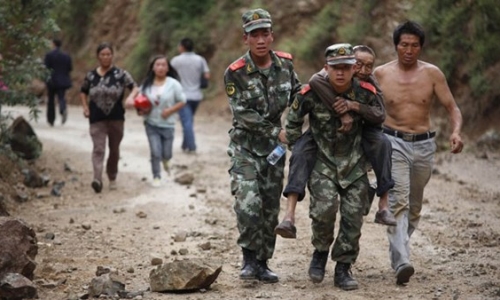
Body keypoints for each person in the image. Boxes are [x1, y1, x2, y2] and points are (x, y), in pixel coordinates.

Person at [286, 43, 383, 290]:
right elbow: (293, 123)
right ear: (326, 68)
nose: (340, 73)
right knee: (324, 210)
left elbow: (379, 116)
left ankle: (343, 267)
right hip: (323, 162)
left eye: (345, 68)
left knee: (353, 218)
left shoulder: (366, 92)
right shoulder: (309, 93)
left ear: (353, 69)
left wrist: (356, 109)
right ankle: (319, 251)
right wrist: (301, 150)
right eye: (335, 68)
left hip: (354, 164)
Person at [373, 21, 464, 285]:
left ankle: (397, 250)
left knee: (413, 208)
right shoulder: (381, 74)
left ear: (421, 47)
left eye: (414, 45)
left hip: (424, 144)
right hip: (392, 141)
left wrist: (456, 132)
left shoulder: (433, 74)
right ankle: (402, 260)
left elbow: (452, 108)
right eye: (404, 45)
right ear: (396, 46)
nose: (409, 50)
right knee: (398, 201)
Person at [274, 45, 396, 240]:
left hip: (357, 141)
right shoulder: (320, 82)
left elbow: (380, 113)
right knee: (300, 152)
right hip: (321, 140)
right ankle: (289, 216)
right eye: (358, 65)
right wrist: (342, 111)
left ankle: (384, 204)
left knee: (383, 143)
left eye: (368, 66)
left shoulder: (367, 87)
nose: (363, 70)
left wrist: (353, 106)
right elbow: (312, 85)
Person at [224, 8, 302, 283]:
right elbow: (242, 113)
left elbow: (298, 97)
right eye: (254, 35)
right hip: (245, 148)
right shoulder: (235, 73)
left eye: (264, 34)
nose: (260, 40)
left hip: (273, 153)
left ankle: (262, 262)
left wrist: (293, 127)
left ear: (272, 36)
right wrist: (275, 131)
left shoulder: (286, 65)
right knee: (249, 203)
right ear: (245, 38)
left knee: (269, 206)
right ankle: (247, 259)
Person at [80, 42, 139, 193]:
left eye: (108, 54)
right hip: (96, 118)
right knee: (98, 148)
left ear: (112, 56)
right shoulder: (91, 75)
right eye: (102, 54)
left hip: (117, 117)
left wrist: (130, 98)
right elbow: (83, 91)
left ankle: (112, 176)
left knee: (114, 149)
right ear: (98, 56)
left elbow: (135, 87)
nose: (106, 57)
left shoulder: (121, 74)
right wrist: (85, 107)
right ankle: (97, 179)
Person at [125, 55, 186, 187]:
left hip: (168, 124)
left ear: (167, 68)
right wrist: (137, 107)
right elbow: (139, 100)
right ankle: (156, 176)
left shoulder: (173, 84)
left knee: (166, 153)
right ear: (152, 68)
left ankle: (166, 161)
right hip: (151, 123)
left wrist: (170, 111)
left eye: (163, 65)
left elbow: (182, 101)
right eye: (157, 65)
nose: (160, 67)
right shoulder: (146, 85)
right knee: (155, 151)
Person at [170, 37, 210, 154]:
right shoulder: (200, 59)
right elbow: (207, 75)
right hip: (196, 96)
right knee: (188, 120)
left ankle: (191, 147)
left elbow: (169, 75)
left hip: (182, 96)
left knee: (186, 121)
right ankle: (185, 144)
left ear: (182, 47)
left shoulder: (176, 61)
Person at [44, 39, 72, 126]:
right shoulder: (66, 56)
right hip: (63, 80)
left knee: (51, 100)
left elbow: (46, 68)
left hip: (52, 81)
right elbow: (70, 68)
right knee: (61, 97)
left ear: (53, 44)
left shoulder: (49, 55)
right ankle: (63, 109)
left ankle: (51, 119)